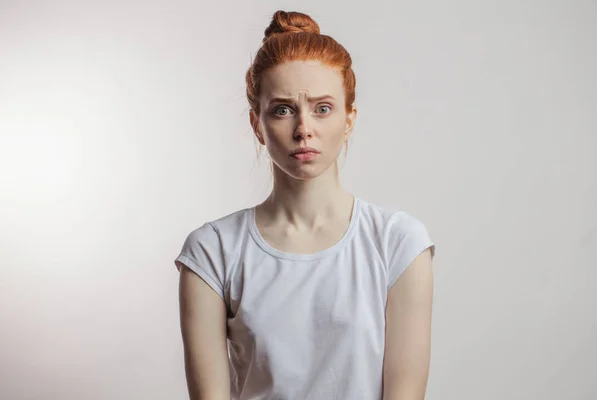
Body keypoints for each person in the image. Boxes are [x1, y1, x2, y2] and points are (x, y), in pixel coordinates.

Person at [174, 10, 436, 400]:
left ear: (349, 120)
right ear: (256, 125)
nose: (303, 129)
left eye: (323, 108)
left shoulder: (398, 243)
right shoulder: (212, 251)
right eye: (282, 109)